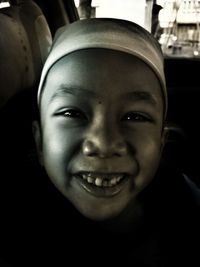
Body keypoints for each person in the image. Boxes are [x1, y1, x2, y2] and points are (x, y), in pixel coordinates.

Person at [1, 18, 200, 266]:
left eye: (134, 116)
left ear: (161, 143)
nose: (104, 143)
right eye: (72, 113)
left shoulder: (189, 206)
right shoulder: (12, 230)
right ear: (39, 141)